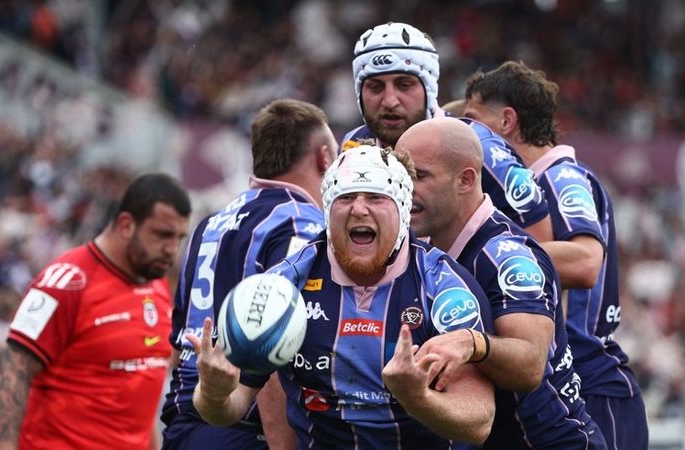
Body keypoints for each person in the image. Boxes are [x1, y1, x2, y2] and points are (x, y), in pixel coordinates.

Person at [188, 144, 496, 449]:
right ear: (327, 212)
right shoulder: (283, 285)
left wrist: (417, 397)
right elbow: (228, 408)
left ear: (403, 210)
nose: (358, 209)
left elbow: (479, 421)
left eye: (375, 197)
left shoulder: (445, 288)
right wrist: (213, 393)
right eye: (345, 197)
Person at [463, 61, 647, 449]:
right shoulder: (525, 188)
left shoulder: (560, 176)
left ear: (506, 121)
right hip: (567, 383)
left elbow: (586, 262)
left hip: (594, 383)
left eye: (473, 121)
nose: (468, 133)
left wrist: (480, 257)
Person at [397, 117, 606, 449]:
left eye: (419, 176)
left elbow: (530, 365)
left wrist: (472, 343)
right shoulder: (425, 250)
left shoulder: (507, 256)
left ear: (466, 179)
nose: (406, 189)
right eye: (402, 176)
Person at [160, 99, 338, 450]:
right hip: (245, 428)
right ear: (324, 158)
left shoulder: (208, 225)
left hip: (184, 420)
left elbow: (178, 338)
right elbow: (274, 344)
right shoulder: (301, 225)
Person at [0, 172, 192, 450]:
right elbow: (14, 372)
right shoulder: (65, 283)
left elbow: (140, 392)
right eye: (163, 235)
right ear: (126, 225)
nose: (172, 249)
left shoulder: (156, 285)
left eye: (179, 237)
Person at [342, 21, 552, 243]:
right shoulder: (354, 146)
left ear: (429, 90)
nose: (390, 101)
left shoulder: (479, 146)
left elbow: (541, 247)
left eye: (404, 85)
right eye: (375, 87)